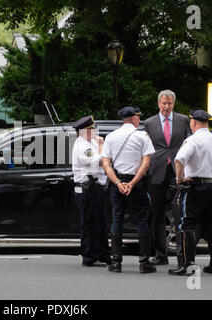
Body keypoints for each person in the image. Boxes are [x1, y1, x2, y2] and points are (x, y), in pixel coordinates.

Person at [169, 109, 212, 276]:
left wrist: (179, 179)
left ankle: (188, 265)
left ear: (193, 123)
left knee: (187, 223)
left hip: (196, 186)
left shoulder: (193, 140)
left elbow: (179, 159)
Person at [101, 106, 156, 274]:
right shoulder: (142, 136)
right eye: (138, 118)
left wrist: (118, 183)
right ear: (133, 119)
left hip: (117, 183)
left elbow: (105, 164)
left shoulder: (111, 136)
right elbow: (145, 164)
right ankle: (144, 262)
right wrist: (132, 183)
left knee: (117, 219)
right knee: (141, 220)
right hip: (136, 183)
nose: (139, 120)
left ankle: (116, 262)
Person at [143, 89, 191, 267]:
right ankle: (160, 254)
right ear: (158, 103)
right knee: (157, 215)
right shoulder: (148, 123)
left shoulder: (183, 120)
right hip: (156, 173)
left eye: (169, 103)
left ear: (174, 104)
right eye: (163, 103)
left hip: (177, 172)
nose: (166, 106)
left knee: (179, 214)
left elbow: (189, 143)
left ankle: (181, 256)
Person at [72, 115, 111, 267]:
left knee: (100, 223)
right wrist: (102, 145)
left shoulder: (91, 142)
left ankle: (103, 255)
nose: (95, 132)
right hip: (87, 188)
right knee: (89, 224)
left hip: (96, 188)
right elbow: (100, 161)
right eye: (91, 129)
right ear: (84, 132)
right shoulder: (83, 146)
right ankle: (89, 256)